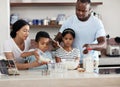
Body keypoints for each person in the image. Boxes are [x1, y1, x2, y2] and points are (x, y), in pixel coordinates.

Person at [54, 0, 106, 65]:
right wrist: (55, 44)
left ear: (90, 10)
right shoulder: (69, 21)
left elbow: (104, 44)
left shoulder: (97, 23)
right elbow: (57, 39)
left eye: (84, 11)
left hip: (90, 62)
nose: (80, 13)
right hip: (72, 62)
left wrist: (91, 46)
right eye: (78, 10)